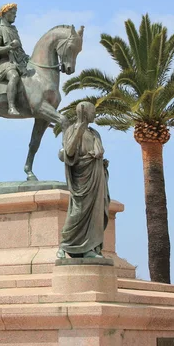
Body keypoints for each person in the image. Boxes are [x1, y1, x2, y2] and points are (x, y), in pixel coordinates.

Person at [56, 101, 110, 259]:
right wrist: (78, 131)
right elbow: (69, 152)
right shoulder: (72, 130)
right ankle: (64, 246)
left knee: (95, 214)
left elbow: (98, 152)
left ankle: (90, 248)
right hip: (82, 178)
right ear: (84, 112)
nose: (95, 114)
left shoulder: (95, 133)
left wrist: (101, 162)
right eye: (93, 111)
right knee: (77, 212)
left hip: (97, 176)